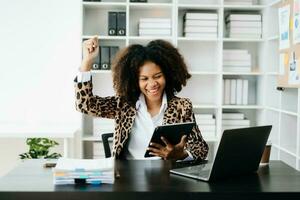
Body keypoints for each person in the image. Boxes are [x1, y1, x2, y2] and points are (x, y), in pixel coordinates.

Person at [74, 36, 209, 161]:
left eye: (157, 76)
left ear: (168, 74)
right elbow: (85, 104)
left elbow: (201, 150)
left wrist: (182, 155)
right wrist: (87, 61)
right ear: (134, 81)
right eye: (144, 79)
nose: (152, 84)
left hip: (167, 177)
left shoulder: (182, 106)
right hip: (128, 177)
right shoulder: (123, 104)